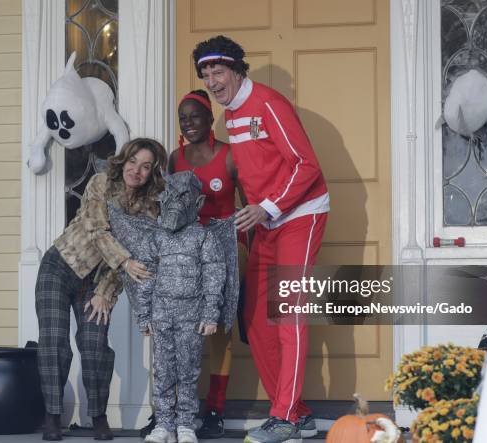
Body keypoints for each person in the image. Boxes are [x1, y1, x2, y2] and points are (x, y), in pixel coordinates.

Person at [192, 36, 330, 443]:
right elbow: (254, 173)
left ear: (237, 70)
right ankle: (297, 413)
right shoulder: (230, 114)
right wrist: (255, 216)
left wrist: (268, 208)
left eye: (218, 72)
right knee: (254, 317)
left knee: (288, 311)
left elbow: (307, 167)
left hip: (301, 215)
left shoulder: (269, 103)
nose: (213, 81)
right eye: (206, 74)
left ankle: (284, 417)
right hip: (265, 222)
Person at [35, 138, 167, 441]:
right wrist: (125, 262)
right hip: (59, 266)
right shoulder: (100, 182)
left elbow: (137, 255)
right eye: (133, 162)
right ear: (124, 159)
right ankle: (52, 416)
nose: (137, 170)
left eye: (146, 167)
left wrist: (105, 291)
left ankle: (98, 416)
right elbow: (97, 230)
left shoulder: (149, 208)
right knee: (54, 341)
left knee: (94, 345)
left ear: (152, 172)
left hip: (96, 283)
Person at [111, 171, 225, 443]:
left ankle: (185, 423)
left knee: (187, 370)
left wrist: (211, 314)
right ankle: (163, 423)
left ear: (197, 203)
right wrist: (144, 315)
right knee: (162, 370)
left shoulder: (204, 238)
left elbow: (214, 275)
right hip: (162, 316)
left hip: (192, 318)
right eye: (171, 195)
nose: (175, 202)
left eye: (183, 196)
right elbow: (146, 276)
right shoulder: (157, 237)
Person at [171, 89, 247, 438]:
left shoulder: (230, 156)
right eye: (182, 118)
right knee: (182, 328)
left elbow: (248, 207)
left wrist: (248, 252)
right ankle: (175, 410)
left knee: (219, 328)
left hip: (226, 247)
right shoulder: (176, 158)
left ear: (209, 118)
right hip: (189, 252)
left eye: (194, 116)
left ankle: (215, 408)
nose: (188, 123)